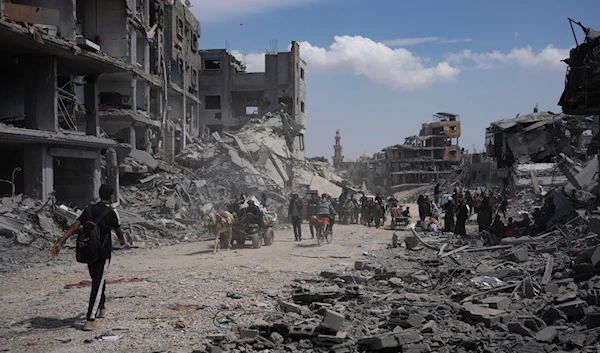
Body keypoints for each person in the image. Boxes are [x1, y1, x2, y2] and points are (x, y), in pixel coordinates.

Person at [51, 185, 126, 331]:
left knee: (98, 278)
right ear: (111, 196)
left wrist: (59, 242)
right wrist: (122, 242)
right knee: (98, 283)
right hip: (103, 253)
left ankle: (101, 308)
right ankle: (90, 320)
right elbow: (119, 231)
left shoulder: (89, 209)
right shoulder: (112, 212)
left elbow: (74, 226)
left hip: (88, 250)